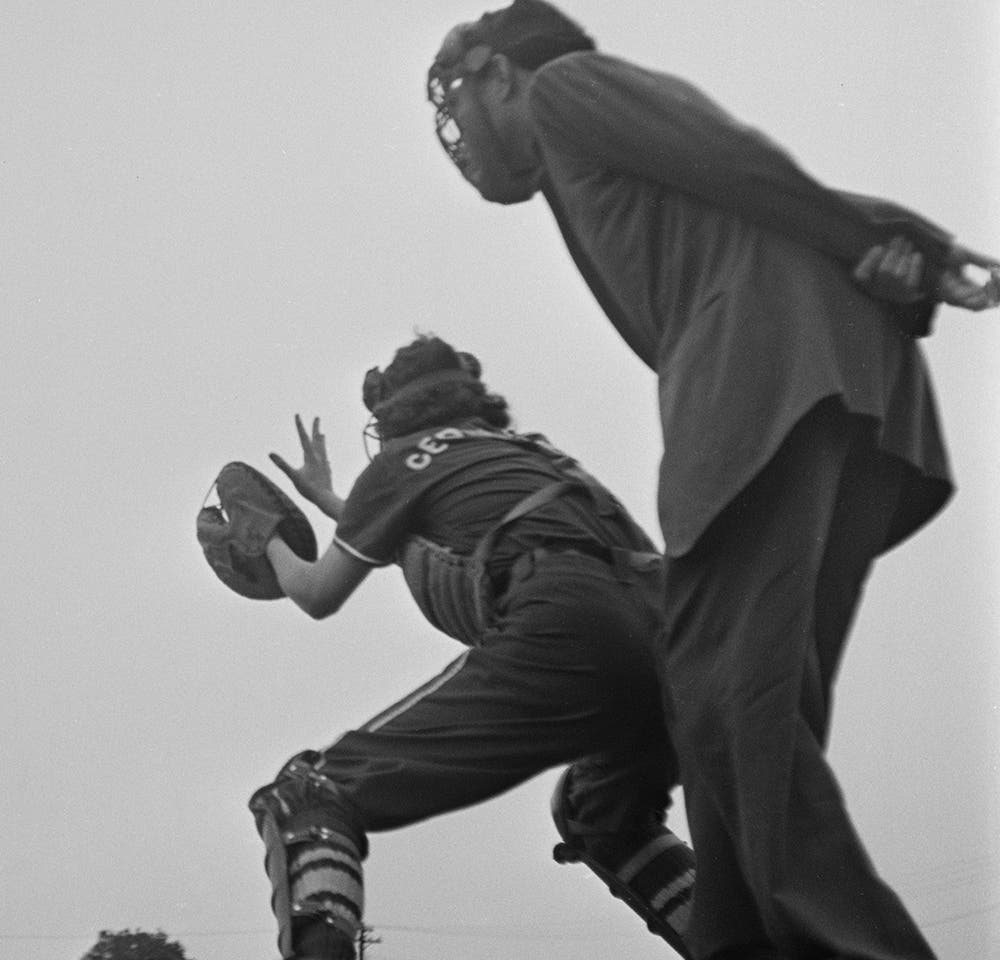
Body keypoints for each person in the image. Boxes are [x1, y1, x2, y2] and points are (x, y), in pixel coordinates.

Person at [420, 4, 1000, 958]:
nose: (459, 128)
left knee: (729, 705)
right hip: (837, 401)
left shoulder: (568, 88)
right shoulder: (589, 156)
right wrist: (893, 250)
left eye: (462, 93)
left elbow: (733, 157)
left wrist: (880, 241)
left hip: (761, 389)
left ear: (501, 74)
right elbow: (740, 187)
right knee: (736, 713)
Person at [242, 334, 694, 960]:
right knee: (603, 813)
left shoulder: (398, 464)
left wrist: (263, 538)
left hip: (566, 617)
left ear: (392, 416)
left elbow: (319, 593)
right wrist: (336, 506)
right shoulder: (539, 456)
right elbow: (461, 533)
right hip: (677, 639)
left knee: (310, 793)